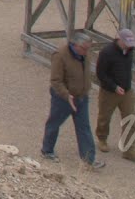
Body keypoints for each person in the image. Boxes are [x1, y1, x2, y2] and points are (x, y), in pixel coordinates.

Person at [41, 32, 104, 168]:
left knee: (84, 127)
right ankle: (47, 150)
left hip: (82, 97)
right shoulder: (60, 55)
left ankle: (89, 159)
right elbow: (55, 80)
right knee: (54, 123)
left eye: (88, 48)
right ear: (75, 45)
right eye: (84, 48)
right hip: (63, 98)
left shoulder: (84, 55)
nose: (87, 52)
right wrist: (66, 94)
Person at [96, 28, 135, 162]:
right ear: (120, 40)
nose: (129, 45)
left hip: (126, 91)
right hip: (109, 92)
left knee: (130, 119)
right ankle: (102, 138)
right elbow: (101, 74)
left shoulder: (130, 51)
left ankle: (129, 149)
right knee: (104, 117)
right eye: (127, 42)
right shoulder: (106, 53)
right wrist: (114, 87)